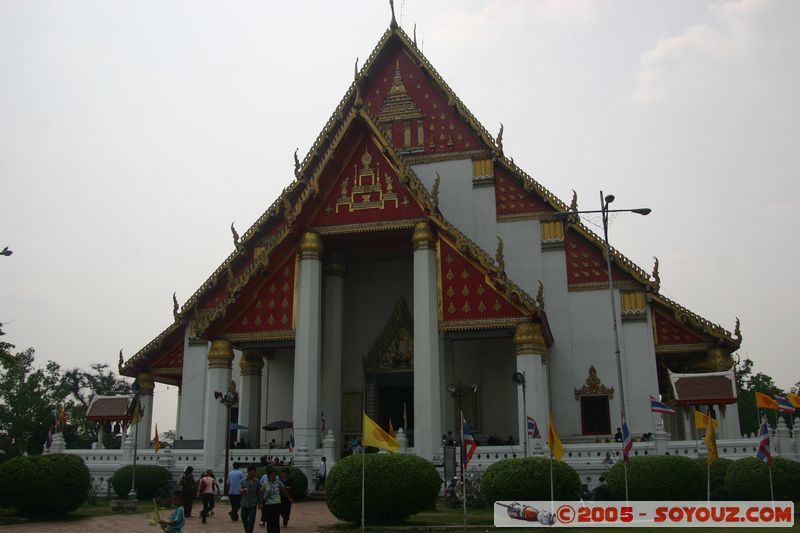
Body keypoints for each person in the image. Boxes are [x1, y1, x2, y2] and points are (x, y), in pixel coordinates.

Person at [261, 467, 292, 533]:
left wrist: (289, 498)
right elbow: (262, 493)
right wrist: (261, 503)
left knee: (275, 520)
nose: (274, 476)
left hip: (276, 503)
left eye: (275, 474)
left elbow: (283, 490)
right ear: (269, 475)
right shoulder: (265, 484)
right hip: (268, 504)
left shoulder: (278, 483)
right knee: (269, 520)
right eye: (272, 474)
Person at [239, 465, 260, 533]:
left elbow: (258, 493)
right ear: (248, 472)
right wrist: (244, 490)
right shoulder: (242, 481)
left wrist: (260, 503)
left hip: (253, 504)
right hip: (244, 503)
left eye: (254, 472)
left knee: (251, 520)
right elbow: (240, 490)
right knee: (244, 518)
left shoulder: (256, 482)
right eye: (252, 472)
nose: (253, 474)